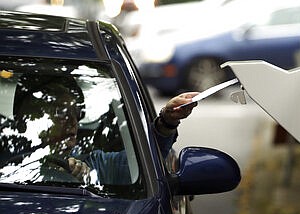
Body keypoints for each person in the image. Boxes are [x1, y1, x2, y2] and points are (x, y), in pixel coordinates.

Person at [8, 74, 198, 184]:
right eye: (60, 113)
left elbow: (147, 159)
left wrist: (166, 120)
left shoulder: (95, 164)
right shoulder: (6, 162)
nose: (72, 122)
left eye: (75, 114)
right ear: (26, 118)